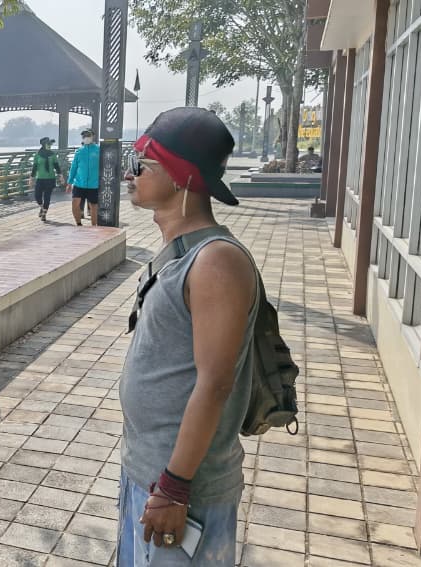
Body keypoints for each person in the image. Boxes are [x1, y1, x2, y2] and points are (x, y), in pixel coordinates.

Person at [118, 107, 258, 566]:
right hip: (149, 471)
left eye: (142, 163)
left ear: (180, 176)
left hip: (183, 491)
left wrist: (175, 487)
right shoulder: (181, 252)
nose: (130, 174)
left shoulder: (216, 261)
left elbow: (215, 383)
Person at [68, 128, 101, 225]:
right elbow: (73, 167)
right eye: (84, 136)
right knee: (75, 204)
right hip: (79, 184)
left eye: (88, 135)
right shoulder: (79, 151)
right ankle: (78, 224)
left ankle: (94, 227)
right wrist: (69, 182)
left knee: (94, 206)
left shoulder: (99, 150)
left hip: (93, 184)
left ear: (93, 136)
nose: (86, 137)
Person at [28, 136, 64, 221]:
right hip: (40, 179)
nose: (50, 146)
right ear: (43, 145)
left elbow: (57, 167)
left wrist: (61, 176)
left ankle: (44, 213)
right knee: (37, 196)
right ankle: (42, 207)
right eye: (48, 144)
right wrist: (31, 179)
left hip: (50, 179)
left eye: (50, 144)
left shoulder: (53, 154)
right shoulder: (37, 155)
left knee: (47, 196)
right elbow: (34, 168)